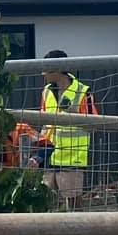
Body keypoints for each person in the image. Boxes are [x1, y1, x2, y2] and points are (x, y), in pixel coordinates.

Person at [37, 52, 96, 201]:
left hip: (72, 161)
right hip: (48, 158)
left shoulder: (83, 92)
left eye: (47, 69)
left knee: (74, 207)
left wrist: (73, 114)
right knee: (45, 205)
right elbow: (44, 123)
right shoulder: (46, 92)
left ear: (58, 69)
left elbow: (93, 124)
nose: (43, 73)